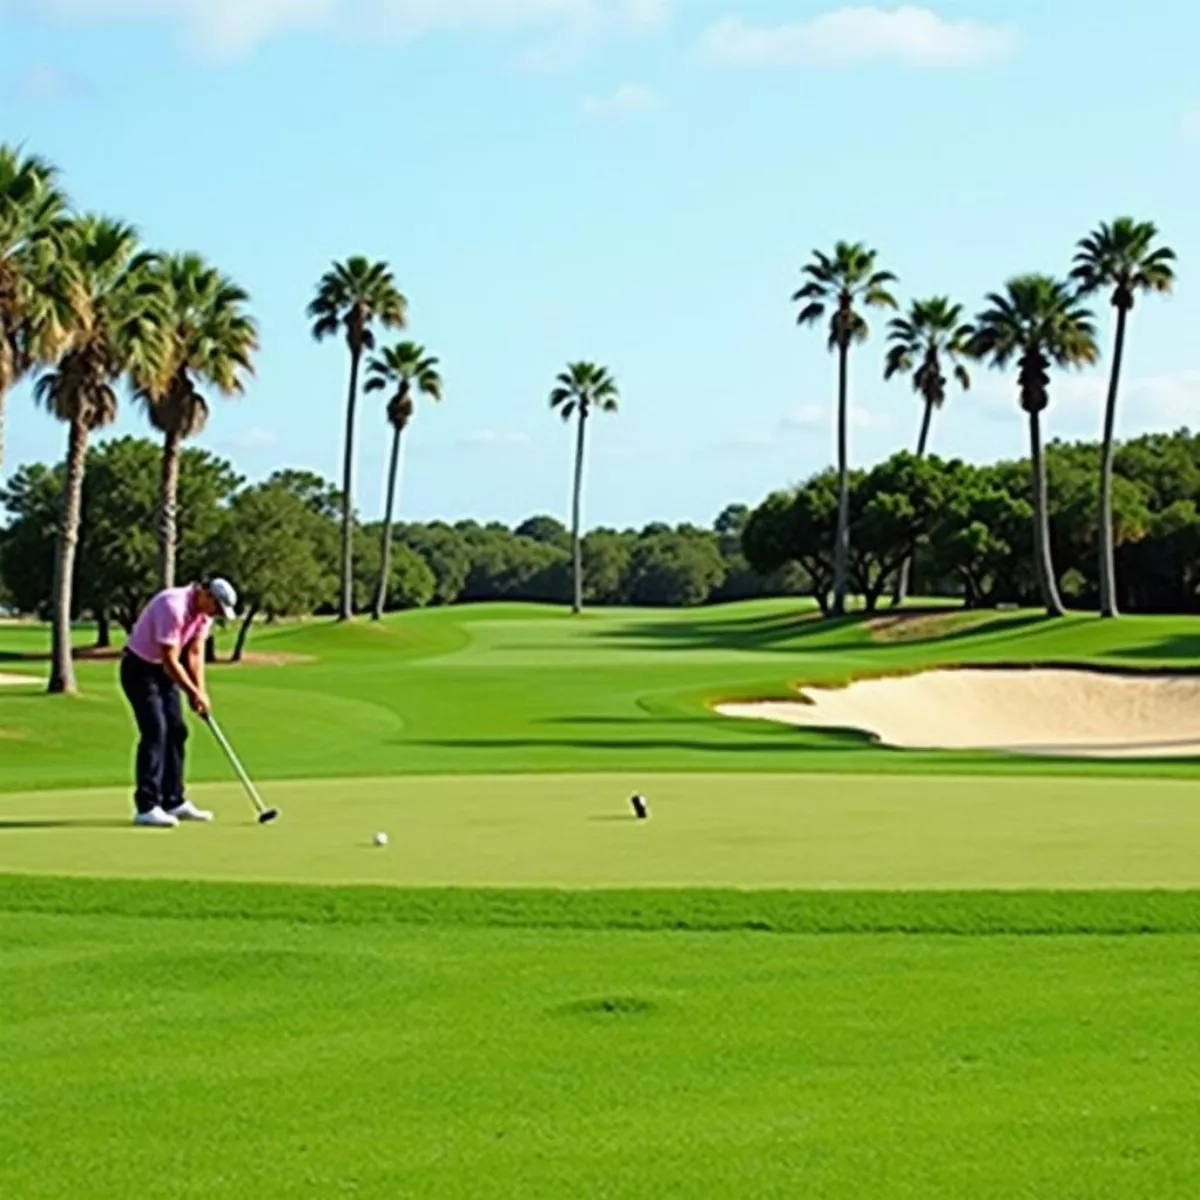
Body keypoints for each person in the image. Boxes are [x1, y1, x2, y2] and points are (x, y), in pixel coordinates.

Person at [120, 578, 238, 828]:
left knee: (177, 731)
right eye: (216, 607)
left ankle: (174, 800)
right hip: (139, 669)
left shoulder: (203, 616)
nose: (215, 614)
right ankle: (147, 806)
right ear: (205, 594)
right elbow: (170, 660)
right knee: (155, 731)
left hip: (162, 672)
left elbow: (194, 654)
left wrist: (201, 692)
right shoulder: (172, 605)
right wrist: (192, 692)